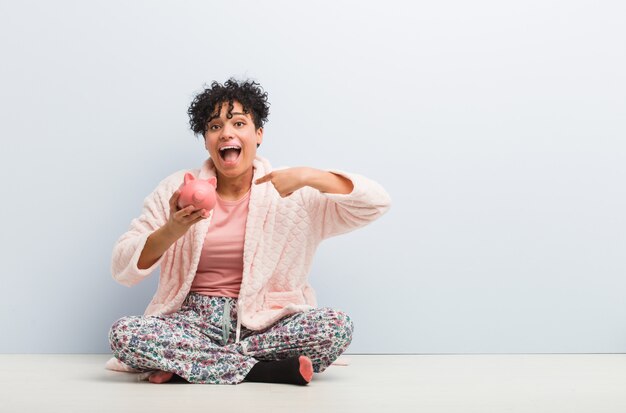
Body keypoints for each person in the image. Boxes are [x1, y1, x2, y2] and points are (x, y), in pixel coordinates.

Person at [107, 78, 391, 385]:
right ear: (206, 140)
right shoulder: (176, 189)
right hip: (192, 322)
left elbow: (375, 204)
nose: (226, 132)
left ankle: (192, 365)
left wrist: (310, 176)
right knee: (124, 334)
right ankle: (263, 370)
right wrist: (173, 229)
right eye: (215, 126)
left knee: (336, 326)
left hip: (267, 321)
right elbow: (122, 268)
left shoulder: (292, 192)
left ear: (258, 134)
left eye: (239, 123)